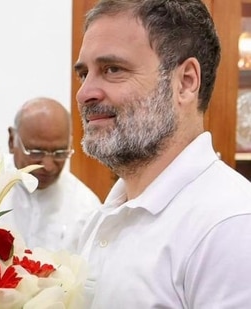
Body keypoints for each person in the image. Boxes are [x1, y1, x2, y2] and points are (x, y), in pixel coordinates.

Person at [73, 0, 251, 307]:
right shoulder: (102, 217)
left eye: (112, 69)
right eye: (84, 73)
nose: (84, 93)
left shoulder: (231, 227)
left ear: (185, 82)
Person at [0, 97, 101, 252]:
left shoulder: (86, 206)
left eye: (60, 153)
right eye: (36, 152)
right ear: (11, 140)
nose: (48, 166)